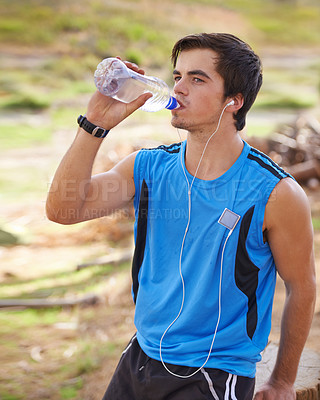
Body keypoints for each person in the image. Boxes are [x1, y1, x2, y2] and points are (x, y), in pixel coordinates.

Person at [46, 33, 316, 400]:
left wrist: (283, 380)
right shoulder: (148, 167)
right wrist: (94, 124)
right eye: (177, 76)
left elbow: (302, 286)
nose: (180, 88)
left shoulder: (276, 193)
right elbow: (63, 210)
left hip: (214, 373)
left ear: (234, 101)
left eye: (197, 78)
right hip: (140, 357)